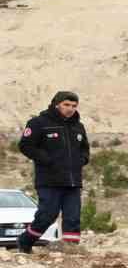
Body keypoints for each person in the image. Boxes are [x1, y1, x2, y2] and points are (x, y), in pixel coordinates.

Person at [14, 91, 90, 253]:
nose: (70, 109)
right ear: (57, 104)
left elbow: (85, 149)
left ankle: (71, 251)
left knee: (73, 217)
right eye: (66, 105)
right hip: (48, 180)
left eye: (74, 106)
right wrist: (47, 160)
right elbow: (25, 145)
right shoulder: (38, 123)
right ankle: (25, 241)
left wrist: (82, 160)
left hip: (73, 181)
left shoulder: (78, 126)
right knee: (47, 215)